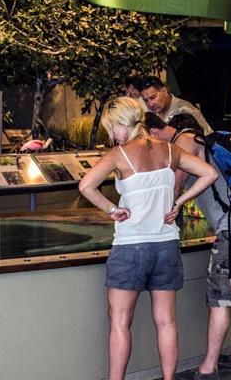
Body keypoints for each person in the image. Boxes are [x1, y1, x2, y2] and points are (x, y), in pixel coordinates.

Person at [78, 97, 218, 380]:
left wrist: (113, 209)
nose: (111, 134)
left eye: (111, 128)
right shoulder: (169, 150)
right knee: (166, 321)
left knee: (119, 322)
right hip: (166, 244)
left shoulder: (119, 155)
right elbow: (209, 173)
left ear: (119, 124)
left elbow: (86, 185)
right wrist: (179, 200)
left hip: (130, 248)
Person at [144, 112, 231, 380]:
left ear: (155, 133)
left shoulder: (184, 142)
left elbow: (173, 188)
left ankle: (208, 368)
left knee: (220, 299)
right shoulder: (203, 141)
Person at [139, 76, 213, 135]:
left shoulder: (185, 111)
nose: (150, 104)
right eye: (145, 100)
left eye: (153, 97)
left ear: (164, 91)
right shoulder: (146, 111)